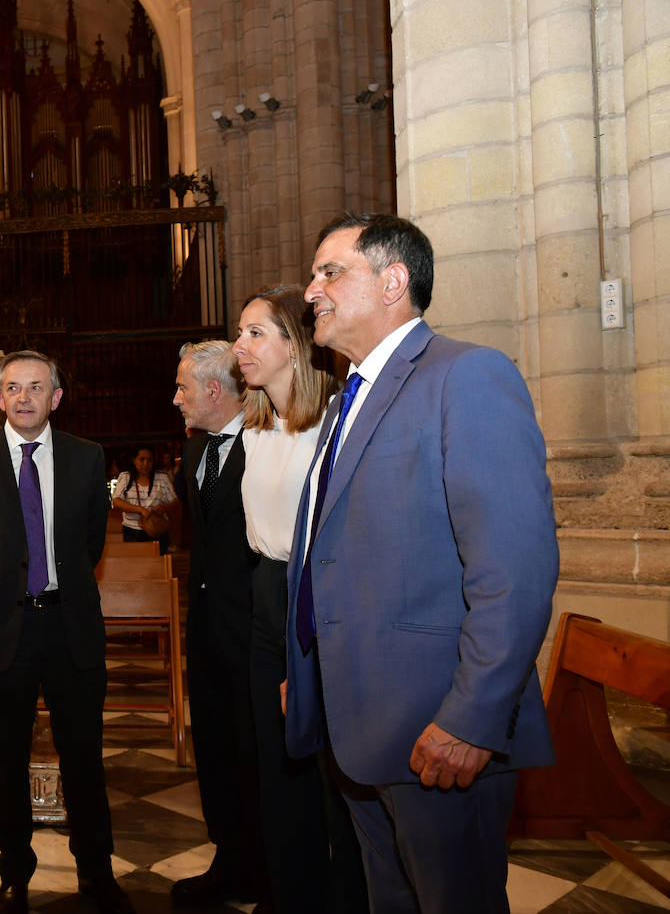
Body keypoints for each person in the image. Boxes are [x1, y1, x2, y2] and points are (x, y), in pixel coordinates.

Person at [285, 213, 558, 913]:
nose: (311, 290)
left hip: (437, 726)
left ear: (393, 281)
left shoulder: (466, 377)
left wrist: (471, 719)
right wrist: (308, 670)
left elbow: (513, 572)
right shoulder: (353, 396)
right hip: (363, 727)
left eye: (329, 272)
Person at [0, 351, 134, 914]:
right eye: (11, 388)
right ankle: (14, 874)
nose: (23, 398)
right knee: (7, 761)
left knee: (84, 760)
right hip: (4, 631)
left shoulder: (85, 457)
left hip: (70, 625)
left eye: (35, 387)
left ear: (56, 397)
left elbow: (88, 546)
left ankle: (96, 875)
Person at [232, 286, 364, 913]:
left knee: (324, 759)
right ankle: (290, 892)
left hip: (310, 589)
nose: (241, 347)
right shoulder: (255, 429)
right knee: (273, 754)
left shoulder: (332, 423)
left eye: (256, 333)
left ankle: (340, 893)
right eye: (241, 334)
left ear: (294, 342)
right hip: (265, 590)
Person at [169, 340, 268, 908]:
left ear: (213, 390)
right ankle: (229, 857)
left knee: (255, 755)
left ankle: (266, 866)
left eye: (183, 387)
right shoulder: (192, 453)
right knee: (215, 751)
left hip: (252, 630)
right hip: (206, 630)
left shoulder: (265, 447)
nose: (175, 397)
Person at [110, 447, 177, 552]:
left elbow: (175, 502)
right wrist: (140, 510)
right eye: (142, 459)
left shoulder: (162, 477)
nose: (146, 463)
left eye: (149, 460)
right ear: (134, 460)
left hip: (157, 529)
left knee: (158, 564)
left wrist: (165, 507)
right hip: (132, 531)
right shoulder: (125, 477)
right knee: (135, 564)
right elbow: (116, 501)